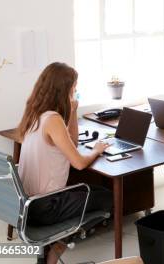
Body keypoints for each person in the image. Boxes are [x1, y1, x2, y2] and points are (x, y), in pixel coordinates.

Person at [17, 63, 111, 264]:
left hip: (27, 204)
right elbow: (78, 163)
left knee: (92, 191)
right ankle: (54, 252)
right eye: (74, 88)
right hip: (47, 205)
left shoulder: (33, 113)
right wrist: (96, 150)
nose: (75, 92)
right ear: (64, 90)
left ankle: (49, 253)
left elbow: (72, 143)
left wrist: (73, 111)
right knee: (107, 198)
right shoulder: (53, 119)